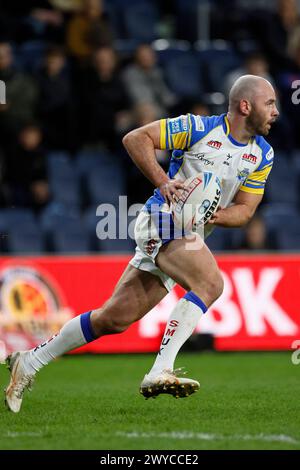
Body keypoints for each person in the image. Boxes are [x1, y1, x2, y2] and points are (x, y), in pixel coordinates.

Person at [3, 74, 279, 413]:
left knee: (112, 319)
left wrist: (213, 215)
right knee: (210, 283)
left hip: (188, 234)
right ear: (245, 105)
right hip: (161, 218)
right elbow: (135, 138)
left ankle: (29, 361)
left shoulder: (262, 155)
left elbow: (245, 210)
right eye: (270, 103)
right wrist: (164, 182)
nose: (276, 111)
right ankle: (160, 370)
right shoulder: (197, 128)